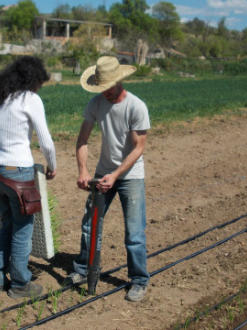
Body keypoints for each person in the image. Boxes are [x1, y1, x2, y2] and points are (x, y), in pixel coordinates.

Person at [65, 56, 150, 302]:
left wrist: (116, 175)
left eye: (108, 87)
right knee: (89, 224)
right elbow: (82, 140)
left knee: (134, 232)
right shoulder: (96, 103)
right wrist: (83, 171)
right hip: (104, 173)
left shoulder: (136, 107)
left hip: (130, 176)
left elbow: (138, 148)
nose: (105, 92)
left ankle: (139, 280)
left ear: (119, 81)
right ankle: (82, 270)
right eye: (101, 88)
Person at [0, 56, 57, 299]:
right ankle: (20, 284)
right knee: (23, 231)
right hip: (20, 175)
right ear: (32, 80)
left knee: (6, 227)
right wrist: (52, 166)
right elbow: (46, 142)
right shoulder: (30, 99)